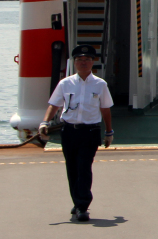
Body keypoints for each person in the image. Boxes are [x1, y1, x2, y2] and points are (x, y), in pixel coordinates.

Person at [39, 44, 114, 222]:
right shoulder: (65, 83)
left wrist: (109, 132)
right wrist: (45, 122)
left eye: (87, 59)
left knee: (84, 167)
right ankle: (78, 201)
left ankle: (83, 205)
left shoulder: (100, 84)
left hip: (90, 131)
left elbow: (105, 109)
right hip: (69, 131)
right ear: (74, 62)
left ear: (92, 62)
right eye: (80, 59)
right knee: (72, 168)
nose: (83, 62)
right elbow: (54, 104)